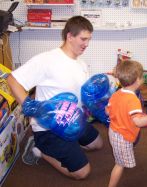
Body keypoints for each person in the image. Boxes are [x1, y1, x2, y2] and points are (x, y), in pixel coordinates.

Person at [7, 16, 103, 180]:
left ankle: (67, 146)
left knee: (98, 144)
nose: (87, 44)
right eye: (83, 39)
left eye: (89, 39)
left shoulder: (81, 63)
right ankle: (39, 148)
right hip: (49, 128)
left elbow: (79, 95)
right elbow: (12, 80)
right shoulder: (47, 60)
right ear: (69, 36)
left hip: (73, 121)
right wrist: (30, 106)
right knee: (82, 172)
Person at [106, 60, 147, 187]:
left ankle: (124, 156)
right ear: (138, 80)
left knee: (126, 149)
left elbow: (107, 112)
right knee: (119, 164)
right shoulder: (133, 100)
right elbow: (139, 122)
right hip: (122, 136)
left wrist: (120, 114)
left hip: (114, 131)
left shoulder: (116, 93)